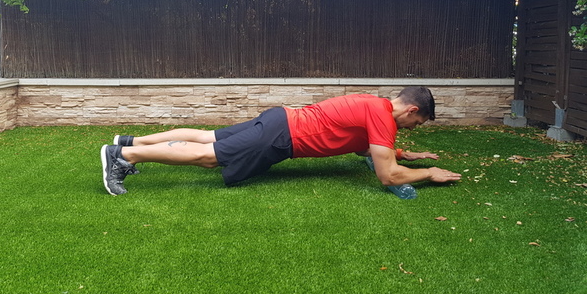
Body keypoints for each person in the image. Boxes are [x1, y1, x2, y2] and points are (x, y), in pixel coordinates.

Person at [101, 86, 462, 195]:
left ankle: (132, 141)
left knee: (206, 135)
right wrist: (428, 172)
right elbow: (389, 176)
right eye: (419, 121)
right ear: (412, 109)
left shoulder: (375, 104)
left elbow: (370, 144)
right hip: (281, 135)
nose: (415, 127)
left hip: (281, 118)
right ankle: (124, 156)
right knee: (209, 156)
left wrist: (403, 153)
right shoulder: (383, 119)